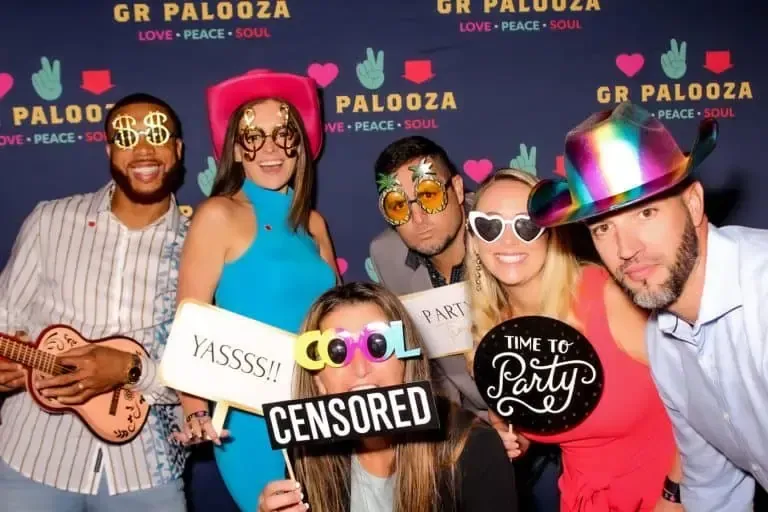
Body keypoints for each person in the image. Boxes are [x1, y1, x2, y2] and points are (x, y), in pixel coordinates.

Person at [528, 101, 768, 511]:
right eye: (603, 227)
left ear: (693, 205)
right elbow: (713, 489)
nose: (626, 250)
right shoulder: (664, 341)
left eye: (646, 212)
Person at [0, 93, 189, 511]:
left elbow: (206, 367)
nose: (142, 148)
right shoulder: (50, 222)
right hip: (32, 457)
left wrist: (133, 370)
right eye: (126, 136)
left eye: (156, 135)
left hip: (146, 470)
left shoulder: (200, 244)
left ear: (177, 149)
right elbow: (5, 317)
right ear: (109, 149)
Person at [466, 166, 682, 511]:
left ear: (551, 232)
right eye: (489, 227)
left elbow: (703, 404)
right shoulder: (490, 341)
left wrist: (675, 495)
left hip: (670, 493)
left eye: (526, 225)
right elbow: (537, 419)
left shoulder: (611, 299)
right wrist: (515, 439)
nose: (507, 241)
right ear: (474, 241)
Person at [172, 69, 339, 512]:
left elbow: (336, 322)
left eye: (282, 135)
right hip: (250, 420)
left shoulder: (314, 224)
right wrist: (194, 410)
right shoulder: (218, 215)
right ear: (235, 149)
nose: (269, 149)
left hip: (323, 410)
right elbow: (188, 322)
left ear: (300, 144)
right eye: (252, 137)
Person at [368, 136, 559, 511]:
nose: (418, 218)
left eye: (429, 195)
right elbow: (426, 365)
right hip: (473, 431)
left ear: (457, 188)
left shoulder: (505, 229)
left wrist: (526, 416)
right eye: (398, 206)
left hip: (556, 409)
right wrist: (472, 430)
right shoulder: (386, 255)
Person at [257, 281, 519, 512]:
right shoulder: (305, 453)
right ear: (318, 378)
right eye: (337, 353)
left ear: (406, 361)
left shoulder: (473, 449)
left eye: (378, 345)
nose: (360, 369)